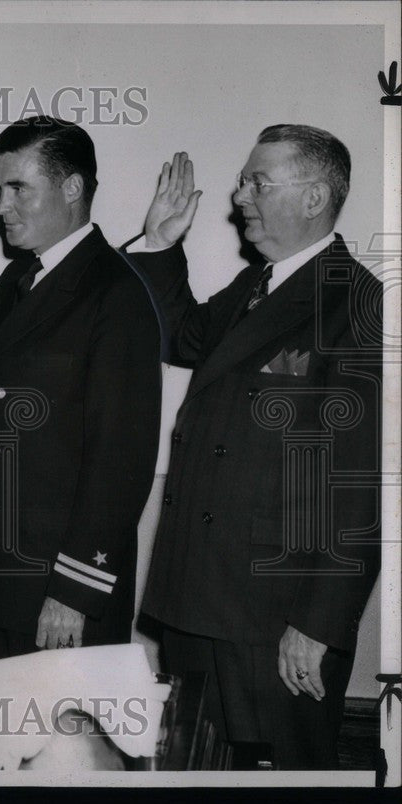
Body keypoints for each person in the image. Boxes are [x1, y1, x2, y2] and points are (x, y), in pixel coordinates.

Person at [129, 125, 382, 769]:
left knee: (283, 788)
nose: (239, 196)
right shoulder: (254, 287)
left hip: (275, 615)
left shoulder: (356, 303)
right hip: (200, 597)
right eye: (244, 180)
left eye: (257, 182)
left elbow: (364, 486)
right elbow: (183, 335)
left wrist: (321, 623)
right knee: (195, 777)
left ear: (314, 197)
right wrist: (160, 243)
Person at [0, 116, 162, 661]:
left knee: (60, 746)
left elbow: (120, 461)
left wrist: (74, 592)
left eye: (18, 189)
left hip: (57, 594)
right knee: (1, 743)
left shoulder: (115, 292)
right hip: (2, 574)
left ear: (72, 188)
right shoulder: (24, 277)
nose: (1, 207)